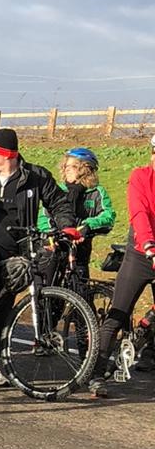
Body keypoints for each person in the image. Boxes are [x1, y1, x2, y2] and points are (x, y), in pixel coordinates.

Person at [0, 128, 74, 386]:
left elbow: (59, 203)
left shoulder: (35, 177)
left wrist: (65, 226)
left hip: (16, 249)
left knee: (3, 302)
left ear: (5, 155)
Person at [90, 138, 155, 395]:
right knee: (118, 313)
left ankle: (147, 342)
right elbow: (139, 213)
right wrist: (150, 246)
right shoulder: (141, 176)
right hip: (141, 252)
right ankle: (97, 373)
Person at [38, 147, 115, 277]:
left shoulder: (97, 192)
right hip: (55, 248)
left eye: (72, 166)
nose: (66, 169)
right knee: (48, 284)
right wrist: (50, 234)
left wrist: (88, 226)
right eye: (65, 165)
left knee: (81, 288)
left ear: (85, 169)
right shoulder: (58, 191)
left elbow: (108, 216)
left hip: (81, 250)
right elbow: (43, 217)